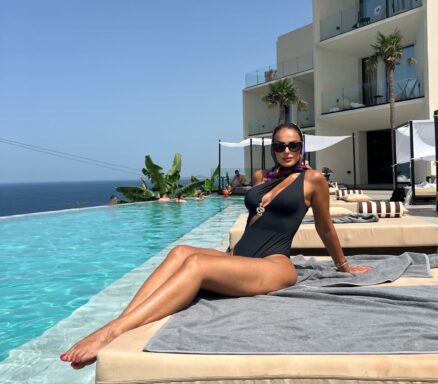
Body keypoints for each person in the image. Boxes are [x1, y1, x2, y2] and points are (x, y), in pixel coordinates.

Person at [60, 122, 370, 369]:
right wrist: (230, 256)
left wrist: (343, 266)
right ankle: (120, 322)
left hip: (274, 263)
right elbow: (255, 219)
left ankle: (112, 332)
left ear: (302, 147)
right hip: (241, 257)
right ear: (272, 149)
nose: (287, 151)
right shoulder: (262, 177)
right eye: (280, 146)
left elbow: (325, 227)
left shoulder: (313, 179)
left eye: (294, 145)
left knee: (196, 264)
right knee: (180, 252)